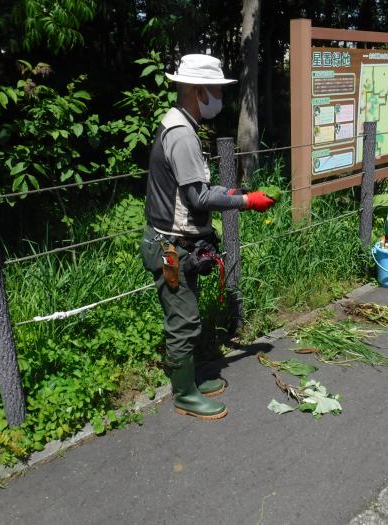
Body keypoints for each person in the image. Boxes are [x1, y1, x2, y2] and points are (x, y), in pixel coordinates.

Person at [139, 54, 275, 420]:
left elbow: (193, 188)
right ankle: (184, 395)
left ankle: (192, 379)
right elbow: (198, 198)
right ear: (198, 91)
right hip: (171, 246)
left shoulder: (180, 123)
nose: (219, 96)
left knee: (189, 315)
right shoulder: (182, 135)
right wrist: (246, 200)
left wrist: (227, 192)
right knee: (183, 321)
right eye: (215, 89)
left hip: (180, 243)